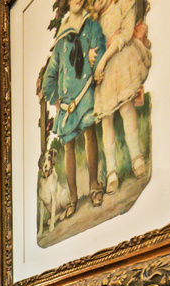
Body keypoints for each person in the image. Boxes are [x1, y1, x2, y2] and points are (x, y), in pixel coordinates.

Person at [39, 0, 107, 216]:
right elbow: (50, 76)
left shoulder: (92, 26)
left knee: (90, 133)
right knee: (68, 145)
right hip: (67, 103)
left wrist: (93, 59)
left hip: (85, 93)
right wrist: (55, 97)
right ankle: (73, 197)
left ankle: (95, 185)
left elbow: (101, 51)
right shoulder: (61, 39)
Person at [93, 0, 151, 194]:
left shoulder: (124, 5)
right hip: (103, 72)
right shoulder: (94, 19)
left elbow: (125, 34)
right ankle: (111, 171)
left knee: (126, 107)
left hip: (120, 59)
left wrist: (103, 59)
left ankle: (136, 158)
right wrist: (93, 57)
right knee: (105, 119)